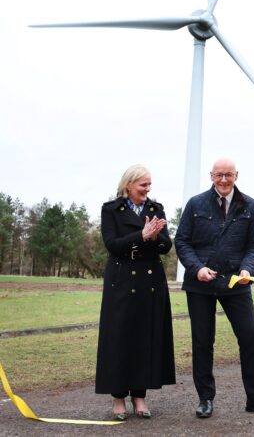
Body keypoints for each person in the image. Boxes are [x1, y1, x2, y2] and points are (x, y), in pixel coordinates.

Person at [175, 158, 254, 418]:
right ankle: (205, 399)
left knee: (250, 338)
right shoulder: (195, 204)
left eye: (228, 175)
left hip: (236, 283)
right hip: (200, 284)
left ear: (236, 176)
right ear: (211, 175)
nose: (223, 180)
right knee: (202, 341)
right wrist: (197, 268)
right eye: (219, 175)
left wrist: (248, 269)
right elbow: (182, 241)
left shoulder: (250, 206)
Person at [95, 164, 176, 420]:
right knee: (120, 339)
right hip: (121, 283)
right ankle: (118, 398)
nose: (147, 189)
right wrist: (141, 236)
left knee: (145, 338)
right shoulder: (111, 210)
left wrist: (154, 238)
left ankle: (139, 397)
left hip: (150, 283)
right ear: (129, 185)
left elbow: (167, 245)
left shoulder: (156, 209)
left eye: (149, 184)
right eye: (143, 184)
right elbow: (112, 245)